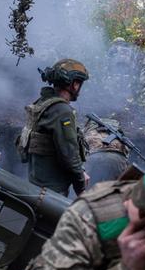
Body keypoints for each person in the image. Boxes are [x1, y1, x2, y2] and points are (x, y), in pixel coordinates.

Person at [17, 59, 90, 197]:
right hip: (51, 191)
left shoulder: (43, 103)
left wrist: (80, 171)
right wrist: (80, 187)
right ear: (74, 84)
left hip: (36, 183)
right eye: (80, 83)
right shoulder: (62, 111)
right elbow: (69, 155)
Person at [82, 117, 130, 185]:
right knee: (112, 190)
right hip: (117, 158)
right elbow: (126, 154)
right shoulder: (119, 135)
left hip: (94, 157)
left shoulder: (89, 132)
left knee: (87, 188)